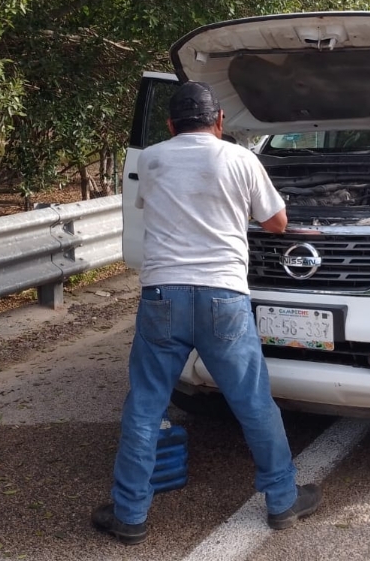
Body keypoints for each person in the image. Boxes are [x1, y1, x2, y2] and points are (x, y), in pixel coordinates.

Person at [91, 81, 321, 545]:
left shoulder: (152, 158)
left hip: (163, 297)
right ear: (219, 122)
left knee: (145, 405)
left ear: (171, 124)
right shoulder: (240, 159)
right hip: (224, 299)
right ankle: (281, 502)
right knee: (253, 403)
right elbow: (275, 222)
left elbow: (151, 205)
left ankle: (130, 514)